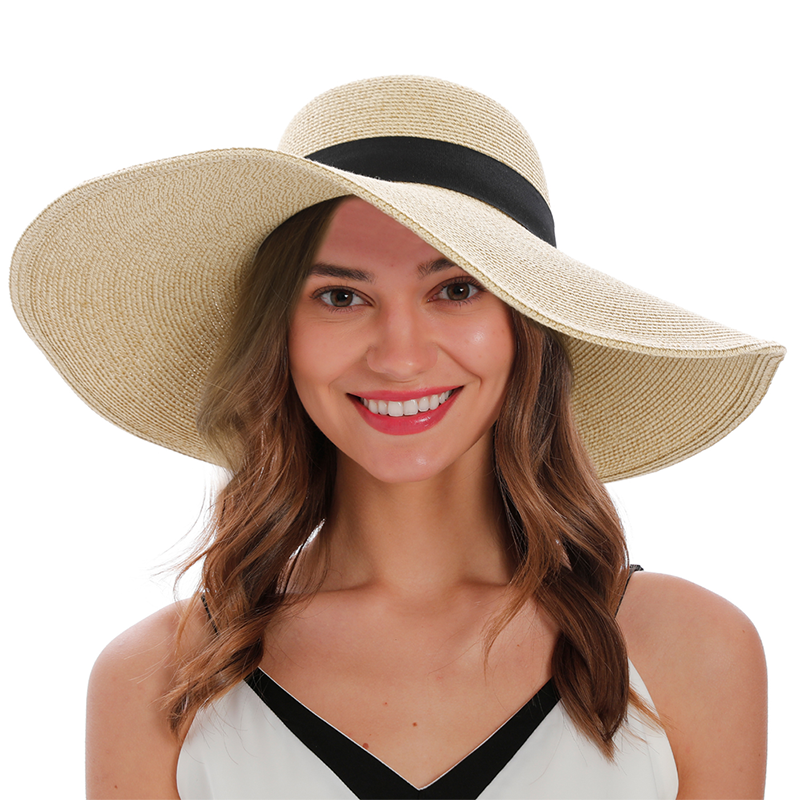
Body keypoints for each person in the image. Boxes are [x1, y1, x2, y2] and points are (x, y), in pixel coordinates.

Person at [10, 76, 783, 799]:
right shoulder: (160, 680)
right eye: (341, 296)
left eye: (456, 288)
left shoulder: (688, 649)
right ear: (282, 337)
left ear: (526, 330)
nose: (400, 356)